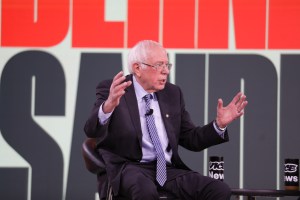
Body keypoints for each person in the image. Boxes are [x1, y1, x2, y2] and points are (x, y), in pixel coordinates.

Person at [84, 40, 248, 200]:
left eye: (166, 65)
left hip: (166, 171)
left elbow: (191, 139)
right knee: (144, 190)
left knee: (219, 190)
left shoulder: (172, 93)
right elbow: (91, 129)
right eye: (159, 65)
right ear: (137, 68)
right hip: (129, 168)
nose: (165, 71)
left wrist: (219, 125)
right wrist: (108, 106)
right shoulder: (114, 89)